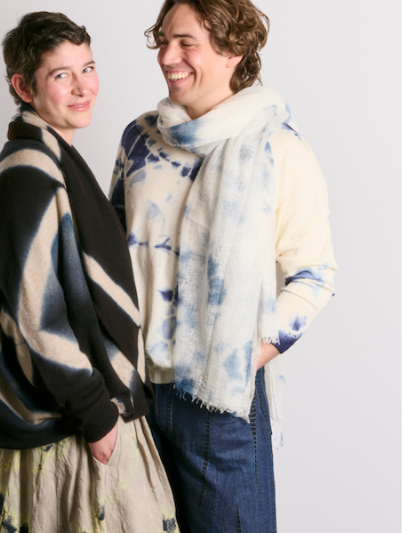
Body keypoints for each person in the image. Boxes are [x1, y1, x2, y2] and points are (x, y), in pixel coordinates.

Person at [110, 1, 337, 532]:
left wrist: (241, 359)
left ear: (233, 50)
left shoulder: (279, 149)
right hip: (136, 391)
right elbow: (109, 256)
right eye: (163, 40)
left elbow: (314, 275)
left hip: (220, 401)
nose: (167, 56)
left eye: (185, 43)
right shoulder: (139, 139)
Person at [0, 12, 178, 533]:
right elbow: (33, 314)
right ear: (24, 87)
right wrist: (97, 415)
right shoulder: (29, 173)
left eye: (87, 67)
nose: (83, 87)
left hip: (85, 416)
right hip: (69, 426)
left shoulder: (55, 157)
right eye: (61, 75)